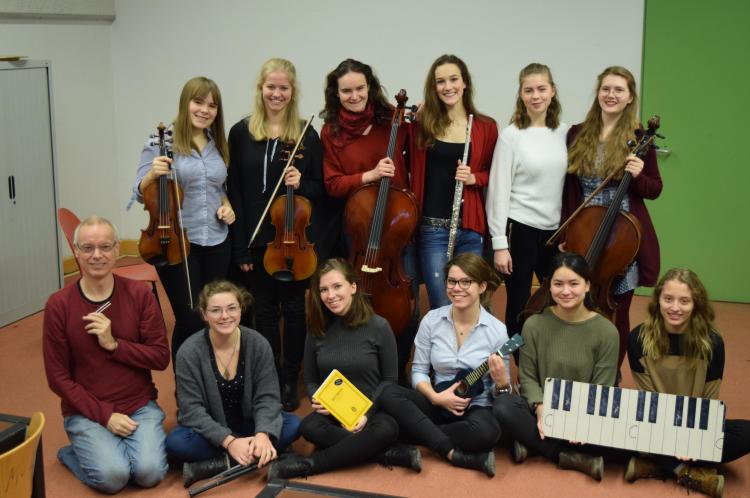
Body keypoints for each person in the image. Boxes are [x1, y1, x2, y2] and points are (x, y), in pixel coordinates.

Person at [227, 58, 330, 411]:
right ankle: (270, 373)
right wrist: (241, 247)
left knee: (295, 309)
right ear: (261, 89)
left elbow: (321, 188)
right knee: (265, 309)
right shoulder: (241, 132)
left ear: (293, 91)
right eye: (271, 87)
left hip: (292, 239)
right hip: (257, 239)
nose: (276, 93)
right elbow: (235, 190)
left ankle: (290, 376)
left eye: (283, 88)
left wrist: (303, 183)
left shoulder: (305, 134)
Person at [43, 216, 170, 494]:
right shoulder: (59, 305)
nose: (97, 255)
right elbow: (57, 378)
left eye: (105, 247)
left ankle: (103, 451)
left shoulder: (139, 294)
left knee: (150, 473)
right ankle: (74, 453)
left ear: (117, 249)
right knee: (114, 478)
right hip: (87, 411)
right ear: (76, 252)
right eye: (87, 248)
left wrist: (115, 345)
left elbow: (160, 357)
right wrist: (105, 415)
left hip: (138, 405)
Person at [267, 259, 420, 479]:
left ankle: (308, 465)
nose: (330, 295)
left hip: (373, 413)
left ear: (353, 287)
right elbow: (310, 379)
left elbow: (389, 381)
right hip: (333, 414)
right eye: (324, 290)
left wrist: (366, 414)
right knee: (309, 426)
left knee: (387, 429)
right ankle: (386, 453)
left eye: (337, 286)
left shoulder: (379, 326)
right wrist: (317, 399)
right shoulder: (316, 329)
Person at [320, 58, 418, 382]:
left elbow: (419, 152)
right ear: (336, 93)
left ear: (370, 87)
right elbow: (333, 184)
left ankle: (398, 372)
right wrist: (370, 175)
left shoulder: (393, 118)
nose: (354, 96)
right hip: (359, 228)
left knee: (405, 303)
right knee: (356, 302)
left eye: (360, 88)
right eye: (346, 91)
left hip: (396, 224)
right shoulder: (331, 130)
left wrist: (416, 117)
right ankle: (358, 370)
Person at [562, 66, 662, 368]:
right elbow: (570, 190)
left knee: (616, 308)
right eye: (606, 88)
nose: (611, 95)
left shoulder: (640, 138)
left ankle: (610, 373)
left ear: (630, 97)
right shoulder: (577, 133)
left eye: (619, 90)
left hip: (623, 234)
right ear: (598, 92)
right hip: (584, 229)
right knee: (575, 303)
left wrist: (639, 174)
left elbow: (654, 189)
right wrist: (567, 232)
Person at [132, 76, 235, 364]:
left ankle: (212, 376)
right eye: (198, 102)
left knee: (214, 314)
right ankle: (186, 383)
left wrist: (227, 206)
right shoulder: (159, 143)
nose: (205, 110)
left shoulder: (217, 143)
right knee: (189, 318)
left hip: (217, 239)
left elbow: (218, 188)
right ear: (185, 103)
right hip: (176, 242)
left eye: (212, 105)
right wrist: (151, 174)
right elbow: (139, 192)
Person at [379, 253, 509, 477]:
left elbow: (500, 395)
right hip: (437, 400)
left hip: (475, 408)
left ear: (482, 286)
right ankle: (449, 449)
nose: (457, 288)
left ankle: (419, 432)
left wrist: (501, 383)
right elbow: (418, 371)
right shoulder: (432, 320)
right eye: (452, 281)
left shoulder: (497, 331)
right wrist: (436, 397)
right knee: (388, 392)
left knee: (487, 433)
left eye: (466, 282)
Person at [493, 252, 618, 480]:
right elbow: (528, 377)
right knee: (503, 406)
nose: (566, 291)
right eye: (558, 284)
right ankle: (566, 455)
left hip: (585, 414)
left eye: (574, 284)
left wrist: (581, 421)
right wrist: (541, 409)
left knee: (624, 432)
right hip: (543, 411)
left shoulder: (607, 331)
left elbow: (602, 387)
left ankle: (534, 445)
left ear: (587, 285)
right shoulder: (534, 324)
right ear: (549, 286)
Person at [625, 269, 750, 497]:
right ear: (658, 300)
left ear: (696, 304)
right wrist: (675, 440)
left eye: (684, 301)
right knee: (616, 428)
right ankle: (684, 470)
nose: (675, 308)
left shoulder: (712, 343)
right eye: (668, 299)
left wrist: (692, 439)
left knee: (746, 433)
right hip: (655, 422)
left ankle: (655, 464)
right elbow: (648, 401)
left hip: (694, 422)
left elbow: (709, 402)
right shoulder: (638, 339)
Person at [165, 280, 300, 487]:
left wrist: (263, 433)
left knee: (293, 425)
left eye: (231, 308)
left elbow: (268, 397)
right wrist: (229, 441)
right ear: (204, 314)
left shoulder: (258, 343)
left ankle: (220, 463)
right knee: (176, 443)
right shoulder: (188, 352)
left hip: (250, 422)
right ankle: (259, 453)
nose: (225, 316)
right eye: (215, 310)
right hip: (212, 428)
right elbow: (191, 411)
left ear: (240, 309)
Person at [487, 63, 568, 339]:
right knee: (519, 305)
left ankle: (547, 357)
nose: (536, 96)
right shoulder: (511, 136)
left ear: (552, 91)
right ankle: (519, 361)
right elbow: (498, 192)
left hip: (554, 234)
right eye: (529, 90)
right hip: (519, 229)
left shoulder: (565, 133)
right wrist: (500, 244)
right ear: (521, 94)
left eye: (541, 89)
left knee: (555, 302)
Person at [410, 54, 498, 309]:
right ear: (433, 87)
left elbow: (495, 174)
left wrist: (474, 178)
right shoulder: (422, 125)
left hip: (470, 228)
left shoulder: (486, 126)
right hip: (433, 230)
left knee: (468, 304)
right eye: (440, 81)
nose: (447, 87)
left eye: (453, 79)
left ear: (464, 82)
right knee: (441, 303)